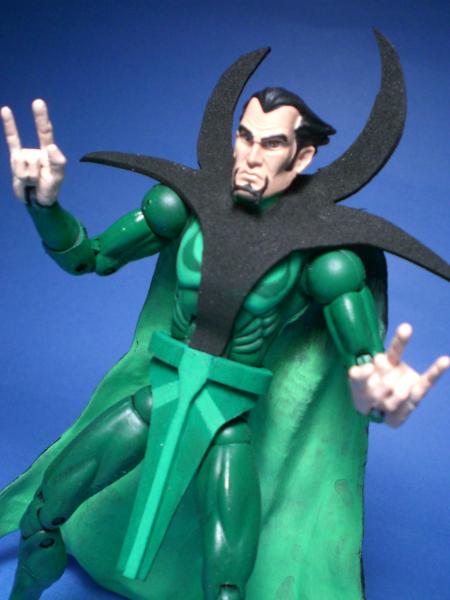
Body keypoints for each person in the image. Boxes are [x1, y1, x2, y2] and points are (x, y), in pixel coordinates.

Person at [1, 83, 448, 600]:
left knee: (227, 586)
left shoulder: (323, 261)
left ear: (303, 156)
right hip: (158, 399)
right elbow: (90, 257)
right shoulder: (180, 209)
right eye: (245, 136)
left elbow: (364, 364)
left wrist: (382, 394)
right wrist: (44, 205)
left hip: (226, 425)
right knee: (43, 513)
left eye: (272, 143)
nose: (252, 157)